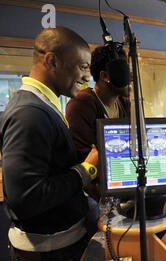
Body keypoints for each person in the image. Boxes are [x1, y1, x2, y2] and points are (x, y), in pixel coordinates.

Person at [0, 27, 98, 261]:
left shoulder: (44, 105)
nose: (87, 76)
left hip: (59, 248)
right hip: (50, 254)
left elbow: (51, 167)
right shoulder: (29, 114)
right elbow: (27, 199)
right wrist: (87, 168)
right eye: (82, 67)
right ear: (52, 61)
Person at [66, 45, 130, 200]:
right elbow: (86, 159)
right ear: (105, 76)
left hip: (122, 186)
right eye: (124, 73)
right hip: (93, 195)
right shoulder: (81, 103)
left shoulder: (125, 103)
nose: (130, 79)